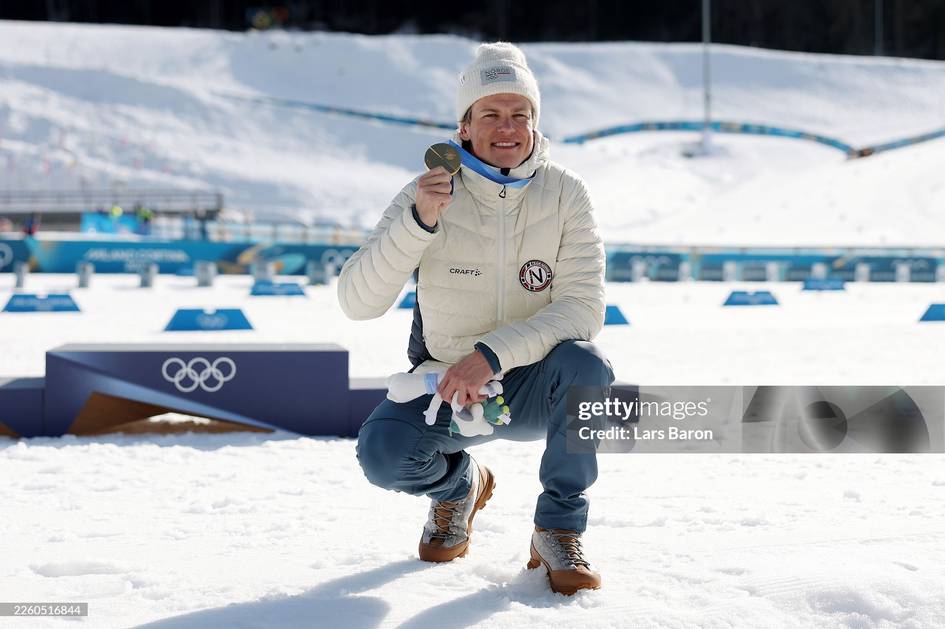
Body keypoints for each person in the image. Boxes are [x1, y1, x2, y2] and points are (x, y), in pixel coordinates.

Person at [338, 42, 613, 595]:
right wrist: (418, 222)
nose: (507, 128)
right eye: (490, 114)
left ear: (535, 123)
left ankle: (557, 531)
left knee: (587, 366)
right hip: (448, 388)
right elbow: (357, 301)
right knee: (383, 455)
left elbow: (583, 308)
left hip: (534, 385)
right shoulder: (427, 193)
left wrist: (489, 356)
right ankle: (460, 487)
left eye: (520, 114)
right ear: (464, 126)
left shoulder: (566, 192)